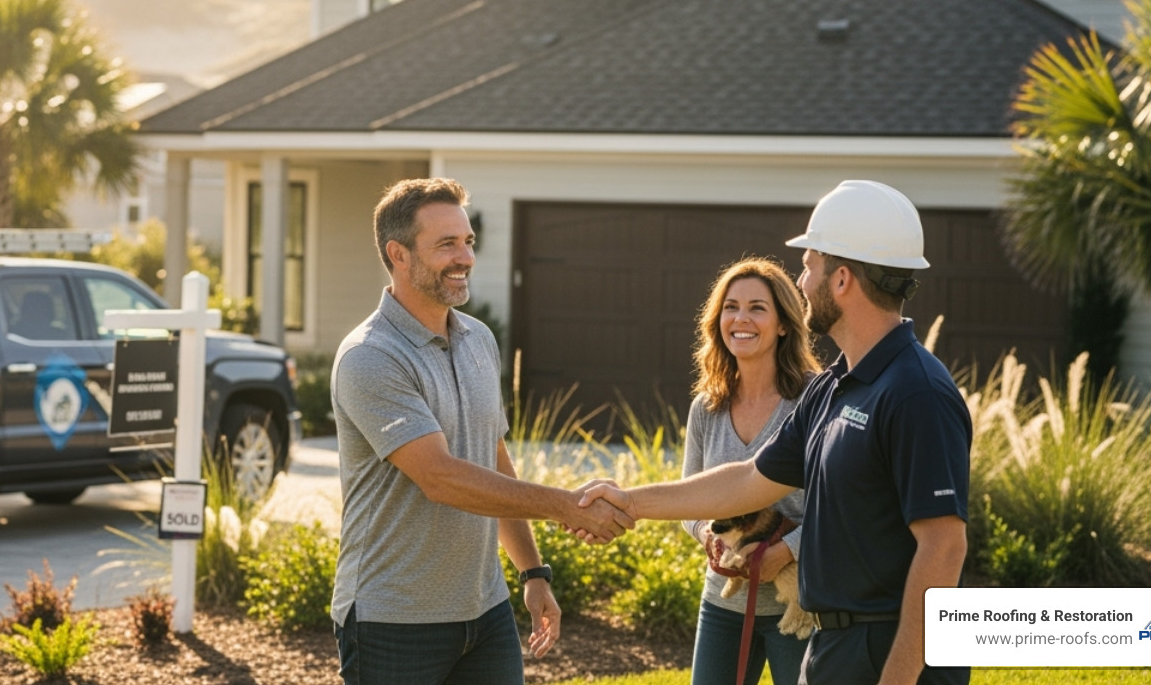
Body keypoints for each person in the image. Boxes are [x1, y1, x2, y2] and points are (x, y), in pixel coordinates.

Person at [578, 180, 972, 685]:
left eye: (809, 265)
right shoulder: (832, 388)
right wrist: (629, 501)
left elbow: (943, 547)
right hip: (832, 648)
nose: (802, 281)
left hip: (891, 653)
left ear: (843, 279)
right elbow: (747, 480)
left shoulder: (917, 392)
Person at [331, 177, 635, 685]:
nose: (465, 257)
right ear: (398, 254)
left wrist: (533, 572)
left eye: (468, 241)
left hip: (485, 611)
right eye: (446, 244)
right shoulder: (371, 356)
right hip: (394, 619)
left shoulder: (478, 339)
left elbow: (492, 456)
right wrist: (565, 504)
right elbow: (441, 478)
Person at [682, 258, 822, 685]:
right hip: (724, 606)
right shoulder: (707, 407)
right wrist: (708, 535)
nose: (741, 318)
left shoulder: (812, 402)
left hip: (796, 608)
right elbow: (691, 503)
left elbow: (835, 506)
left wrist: (785, 551)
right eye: (731, 307)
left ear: (783, 324)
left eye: (757, 307)